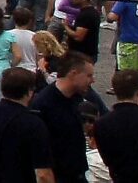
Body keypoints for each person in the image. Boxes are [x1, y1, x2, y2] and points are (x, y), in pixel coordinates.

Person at [28, 53, 94, 183]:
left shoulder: (78, 97)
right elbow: (39, 155)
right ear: (73, 74)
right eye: (89, 75)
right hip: (57, 176)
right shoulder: (43, 104)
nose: (93, 80)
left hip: (77, 174)